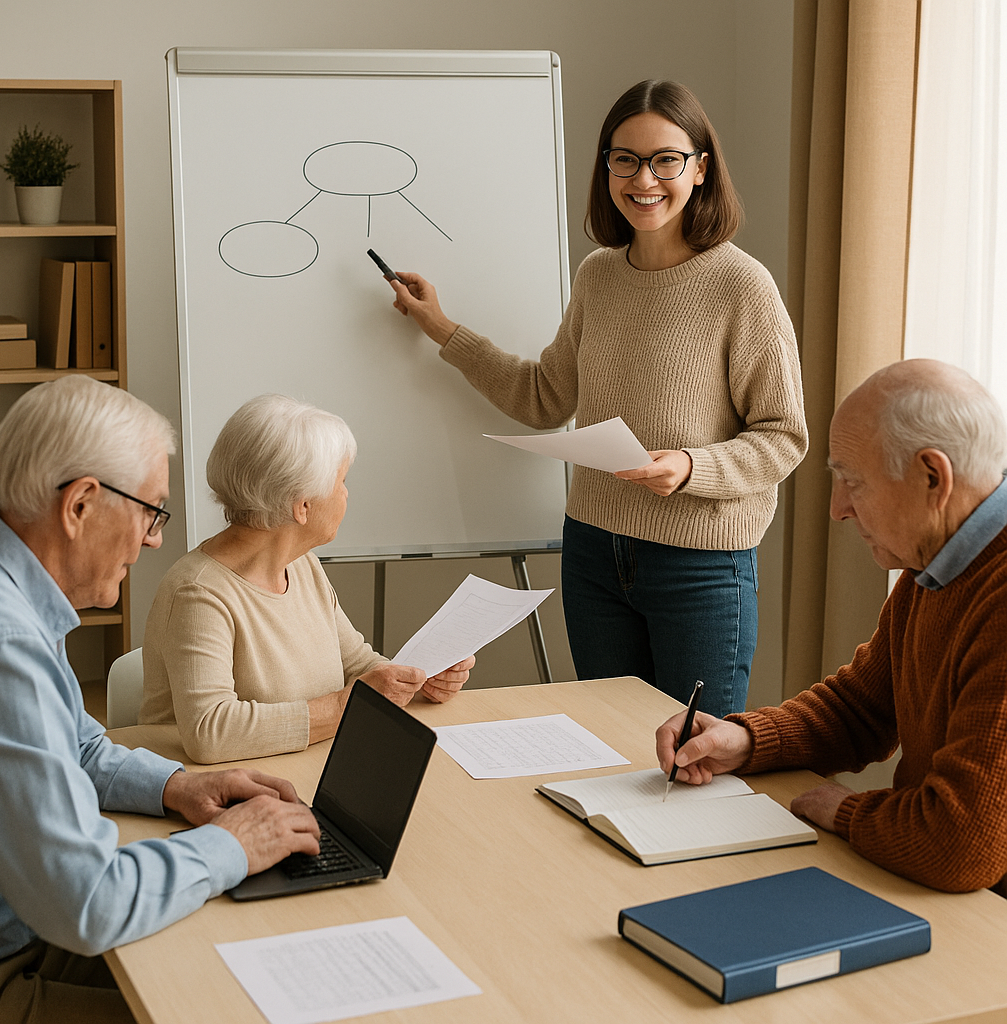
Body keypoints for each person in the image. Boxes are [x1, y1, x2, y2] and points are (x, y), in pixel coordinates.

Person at [387, 80, 808, 717]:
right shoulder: (600, 275)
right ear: (606, 168)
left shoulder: (740, 284)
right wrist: (442, 328)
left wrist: (691, 467)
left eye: (666, 159)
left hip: (699, 565)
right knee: (611, 749)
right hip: (592, 553)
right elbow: (543, 396)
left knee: (693, 761)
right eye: (625, 159)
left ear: (700, 169)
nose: (645, 178)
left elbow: (783, 435)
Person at [0, 376, 321, 1024]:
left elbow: (76, 744)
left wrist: (177, 786)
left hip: (25, 920)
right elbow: (87, 903)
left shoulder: (11, 589)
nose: (154, 540)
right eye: (151, 510)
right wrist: (234, 843)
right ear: (81, 503)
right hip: (4, 966)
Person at [656, 359, 1007, 895]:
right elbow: (861, 710)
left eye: (852, 481)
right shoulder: (936, 563)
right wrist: (746, 740)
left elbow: (960, 845)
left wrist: (845, 809)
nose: (837, 509)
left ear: (933, 477)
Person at [140, 393, 473, 763]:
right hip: (211, 792)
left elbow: (357, 663)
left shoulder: (302, 565)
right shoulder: (198, 592)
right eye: (342, 481)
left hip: (305, 770)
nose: (347, 493)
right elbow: (210, 732)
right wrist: (347, 705)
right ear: (302, 505)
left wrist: (416, 678)